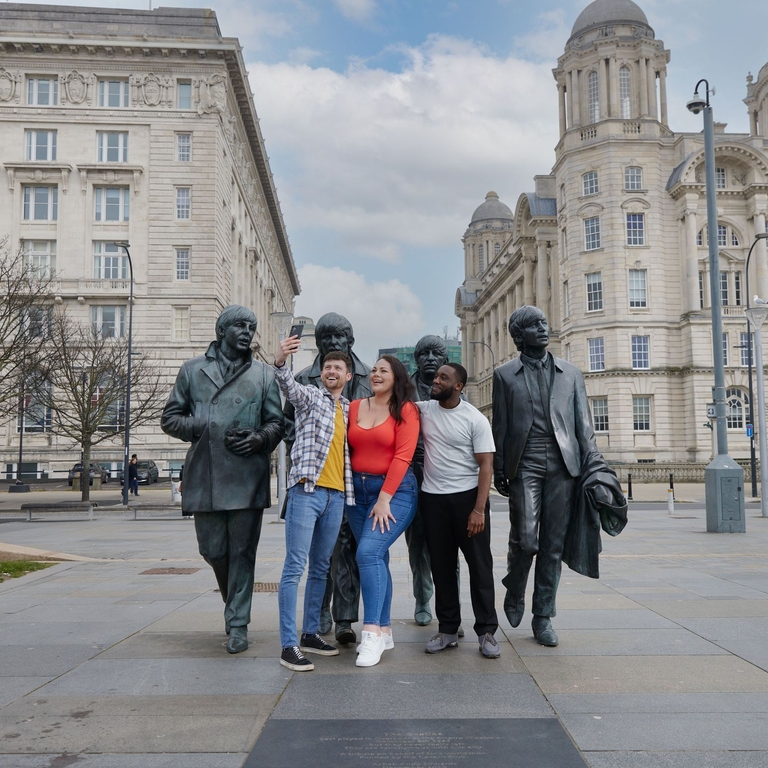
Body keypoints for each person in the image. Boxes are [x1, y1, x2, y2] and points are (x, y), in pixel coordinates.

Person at [161, 305, 284, 654]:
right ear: (222, 330)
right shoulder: (192, 370)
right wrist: (202, 424)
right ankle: (234, 606)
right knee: (212, 549)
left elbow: (277, 423)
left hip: (247, 474)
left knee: (243, 553)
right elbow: (170, 419)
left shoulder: (263, 375)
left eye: (252, 326)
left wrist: (260, 439)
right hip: (206, 473)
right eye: (240, 326)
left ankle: (237, 624)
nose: (247, 332)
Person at [492, 305, 600, 647]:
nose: (543, 327)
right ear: (519, 336)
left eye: (543, 321)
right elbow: (501, 426)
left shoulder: (571, 373)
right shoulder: (505, 375)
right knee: (527, 540)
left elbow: (584, 425)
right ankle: (515, 586)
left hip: (564, 465)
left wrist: (593, 464)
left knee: (553, 545)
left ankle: (543, 616)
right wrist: (498, 468)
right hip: (525, 462)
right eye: (533, 325)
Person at [286, 312, 373, 646]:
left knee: (349, 549)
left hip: (353, 479)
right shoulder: (305, 379)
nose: (335, 344)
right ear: (319, 344)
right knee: (318, 555)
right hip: (314, 478)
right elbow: (287, 422)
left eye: (341, 338)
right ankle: (318, 613)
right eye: (328, 339)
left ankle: (346, 619)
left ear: (350, 342)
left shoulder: (368, 378)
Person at [273, 334, 355, 672]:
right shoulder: (311, 397)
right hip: (307, 491)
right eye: (327, 367)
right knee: (295, 567)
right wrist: (280, 361)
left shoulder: (351, 410)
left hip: (337, 496)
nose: (331, 371)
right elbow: (289, 386)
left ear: (349, 376)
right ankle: (288, 644)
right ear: (321, 373)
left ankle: (310, 634)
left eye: (338, 367)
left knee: (322, 568)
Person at [417, 363, 500, 658]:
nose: (436, 380)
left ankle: (487, 631)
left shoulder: (474, 419)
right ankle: (448, 629)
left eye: (443, 378)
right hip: (432, 501)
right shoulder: (424, 409)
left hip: (468, 501)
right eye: (436, 376)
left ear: (459, 386)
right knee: (441, 568)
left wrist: (479, 510)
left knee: (479, 567)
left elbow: (486, 465)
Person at [346, 355, 419, 667]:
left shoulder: (406, 410)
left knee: (367, 554)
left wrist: (385, 497)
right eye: (373, 370)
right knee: (378, 557)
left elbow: (403, 457)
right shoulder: (353, 407)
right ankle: (386, 630)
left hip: (395, 492)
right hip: (357, 493)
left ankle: (372, 633)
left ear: (396, 377)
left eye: (383, 370)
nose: (375, 374)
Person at [405, 334, 448, 626]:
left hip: (445, 476)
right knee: (417, 543)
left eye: (436, 353)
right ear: (416, 359)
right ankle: (422, 599)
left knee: (447, 545)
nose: (430, 358)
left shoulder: (455, 390)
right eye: (425, 353)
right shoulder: (402, 392)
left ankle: (449, 607)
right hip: (411, 473)